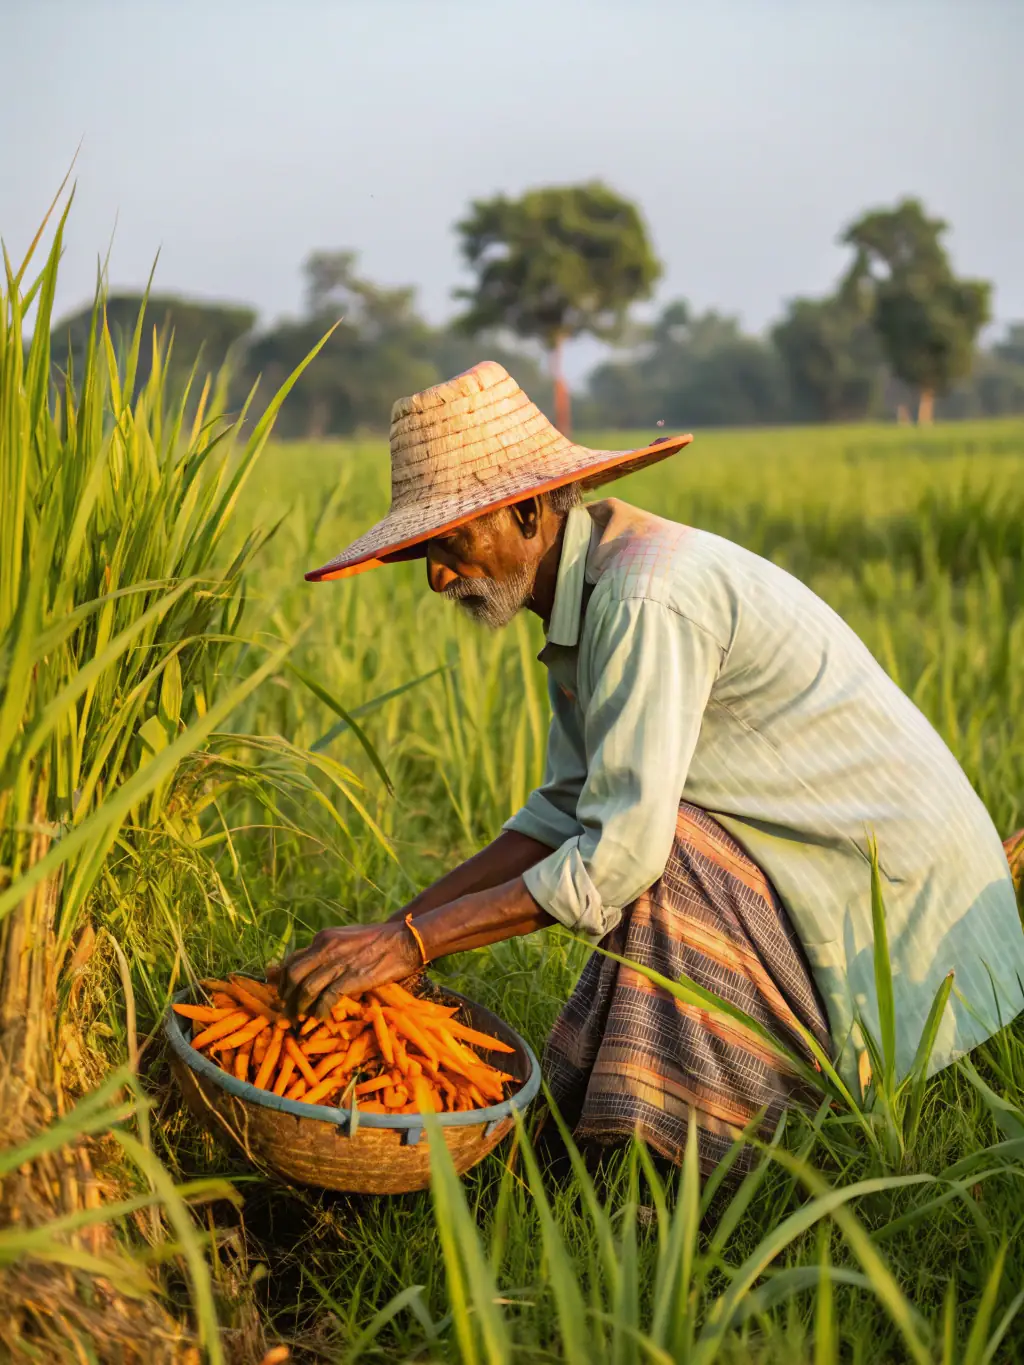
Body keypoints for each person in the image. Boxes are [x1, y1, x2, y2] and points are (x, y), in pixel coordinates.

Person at [276, 361, 1024, 1175]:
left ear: (526, 511)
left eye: (449, 540)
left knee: (659, 859)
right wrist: (394, 934)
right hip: (845, 882)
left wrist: (415, 944)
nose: (437, 575)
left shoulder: (641, 599)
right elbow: (564, 810)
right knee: (643, 839)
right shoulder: (588, 596)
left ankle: (678, 1159)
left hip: (902, 925)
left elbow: (618, 857)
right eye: (423, 550)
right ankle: (611, 1150)